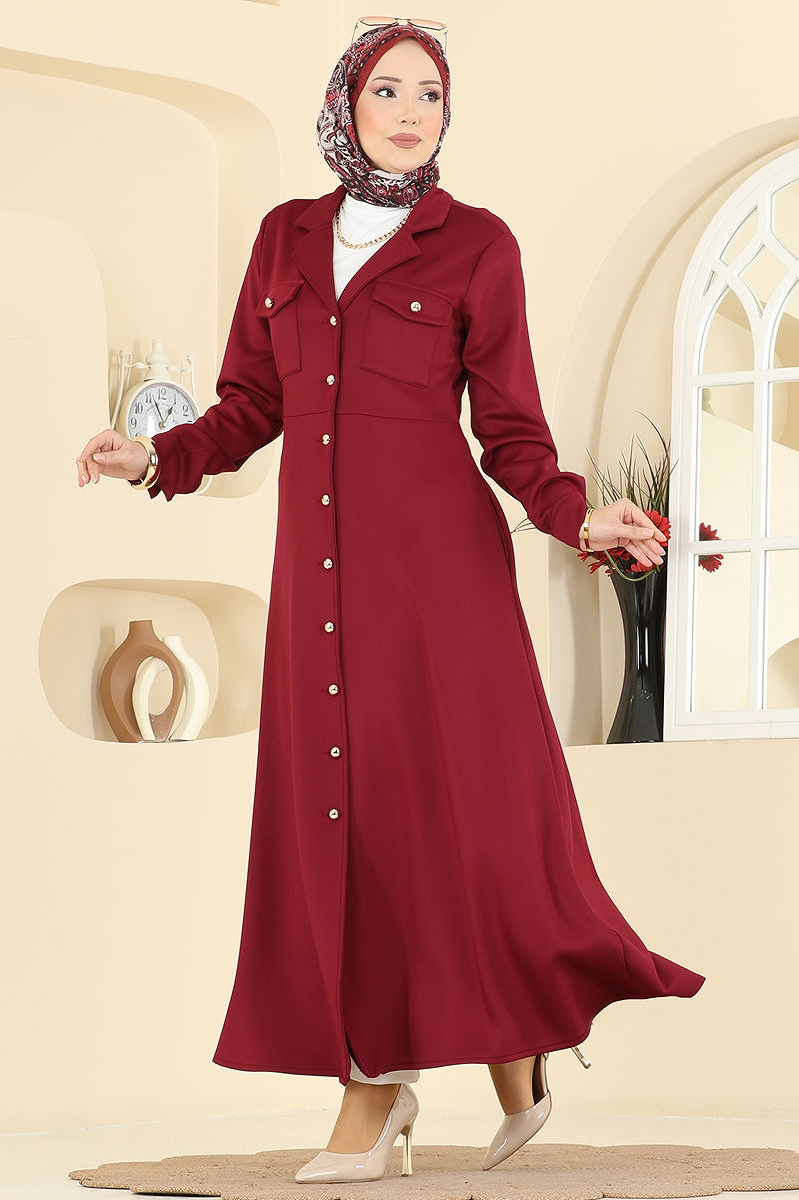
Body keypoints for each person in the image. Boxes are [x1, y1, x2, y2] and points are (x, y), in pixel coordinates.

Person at [75, 18, 703, 1186]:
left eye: (429, 94)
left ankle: (430, 1075)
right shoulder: (283, 238)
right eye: (387, 90)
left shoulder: (477, 245)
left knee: (457, 821)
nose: (410, 112)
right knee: (342, 818)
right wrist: (154, 456)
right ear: (344, 104)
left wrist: (580, 519)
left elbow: (511, 434)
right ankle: (432, 1070)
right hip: (317, 581)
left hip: (439, 586)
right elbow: (246, 406)